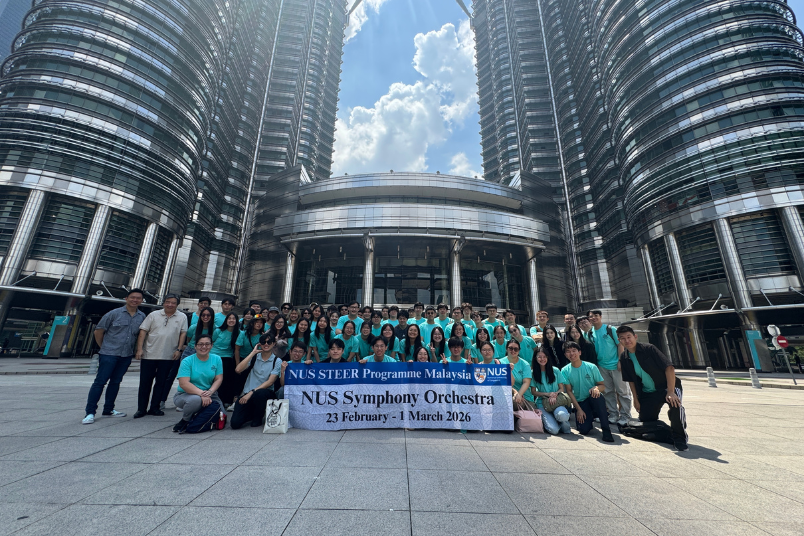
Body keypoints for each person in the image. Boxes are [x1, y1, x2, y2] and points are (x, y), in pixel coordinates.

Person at [616, 326, 688, 451]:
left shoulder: (648, 349)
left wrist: (671, 391)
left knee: (675, 406)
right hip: (648, 393)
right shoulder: (624, 357)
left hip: (667, 387)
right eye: (623, 338)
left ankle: (680, 437)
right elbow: (631, 381)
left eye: (629, 337)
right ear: (619, 341)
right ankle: (666, 432)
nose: (627, 341)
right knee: (646, 419)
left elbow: (669, 368)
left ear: (635, 337)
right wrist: (636, 399)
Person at [82, 288, 147, 424]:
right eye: (132, 297)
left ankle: (109, 409)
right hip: (109, 353)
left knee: (116, 382)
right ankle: (90, 412)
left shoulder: (141, 316)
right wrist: (104, 347)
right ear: (126, 298)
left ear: (141, 300)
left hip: (126, 355)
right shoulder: (113, 314)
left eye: (138, 298)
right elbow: (98, 331)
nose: (135, 300)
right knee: (100, 382)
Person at [134, 294, 187, 418]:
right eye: (168, 302)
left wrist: (179, 349)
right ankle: (141, 409)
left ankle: (155, 407)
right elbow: (143, 331)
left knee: (161, 383)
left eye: (173, 302)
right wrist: (139, 349)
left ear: (177, 304)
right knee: (145, 383)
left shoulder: (182, 316)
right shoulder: (153, 315)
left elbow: (183, 334)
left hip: (168, 355)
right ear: (163, 303)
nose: (170, 304)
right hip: (149, 354)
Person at [561, 342, 614, 442]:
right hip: (581, 402)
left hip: (593, 398)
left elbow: (602, 385)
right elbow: (569, 391)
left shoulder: (591, 367)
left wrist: (597, 388)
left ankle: (606, 430)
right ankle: (590, 416)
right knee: (583, 430)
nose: (572, 354)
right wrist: (578, 409)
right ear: (565, 355)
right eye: (568, 352)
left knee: (598, 397)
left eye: (574, 351)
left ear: (579, 352)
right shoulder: (564, 370)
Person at [587, 309, 632, 426]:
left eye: (596, 315)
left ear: (600, 316)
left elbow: (620, 344)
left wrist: (620, 360)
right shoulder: (590, 333)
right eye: (591, 316)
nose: (594, 318)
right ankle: (613, 414)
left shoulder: (610, 329)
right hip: (602, 366)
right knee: (608, 392)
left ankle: (626, 416)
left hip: (616, 365)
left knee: (623, 391)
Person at [171, 334, 223, 433]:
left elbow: (218, 379)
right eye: (200, 344)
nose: (204, 347)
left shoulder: (216, 359)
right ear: (195, 346)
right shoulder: (187, 361)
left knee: (221, 415)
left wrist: (210, 392)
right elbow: (184, 383)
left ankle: (197, 416)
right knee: (195, 400)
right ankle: (185, 420)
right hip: (186, 394)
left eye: (207, 344)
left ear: (212, 345)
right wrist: (201, 394)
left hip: (210, 394)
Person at [231, 333, 281, 429]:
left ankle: (257, 417)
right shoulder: (254, 357)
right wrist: (253, 353)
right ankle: (251, 414)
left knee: (260, 393)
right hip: (247, 393)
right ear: (259, 344)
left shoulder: (277, 361)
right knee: (235, 423)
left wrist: (252, 392)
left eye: (269, 342)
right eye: (263, 342)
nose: (266, 344)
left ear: (274, 344)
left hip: (264, 393)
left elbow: (270, 382)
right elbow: (238, 370)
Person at [531, 347, 571, 435]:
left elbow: (561, 388)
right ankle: (553, 421)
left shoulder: (555, 370)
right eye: (539, 357)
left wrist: (554, 394)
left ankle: (559, 421)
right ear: (535, 358)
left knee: (562, 416)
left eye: (544, 356)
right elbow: (533, 392)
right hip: (542, 403)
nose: (542, 359)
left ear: (548, 357)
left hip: (557, 401)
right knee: (554, 430)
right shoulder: (533, 373)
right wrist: (547, 394)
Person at [212, 312, 241, 410]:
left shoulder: (239, 333)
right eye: (229, 318)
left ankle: (225, 400)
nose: (231, 320)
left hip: (228, 357)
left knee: (227, 378)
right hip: (215, 356)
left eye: (234, 318)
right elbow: (210, 342)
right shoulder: (218, 331)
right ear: (226, 320)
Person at [500, 339, 533, 409]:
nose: (513, 351)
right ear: (506, 349)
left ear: (519, 350)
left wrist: (519, 395)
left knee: (514, 402)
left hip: (524, 397)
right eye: (511, 348)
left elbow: (526, 383)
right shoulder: (500, 362)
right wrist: (514, 392)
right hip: (505, 395)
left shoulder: (525, 364)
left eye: (516, 349)